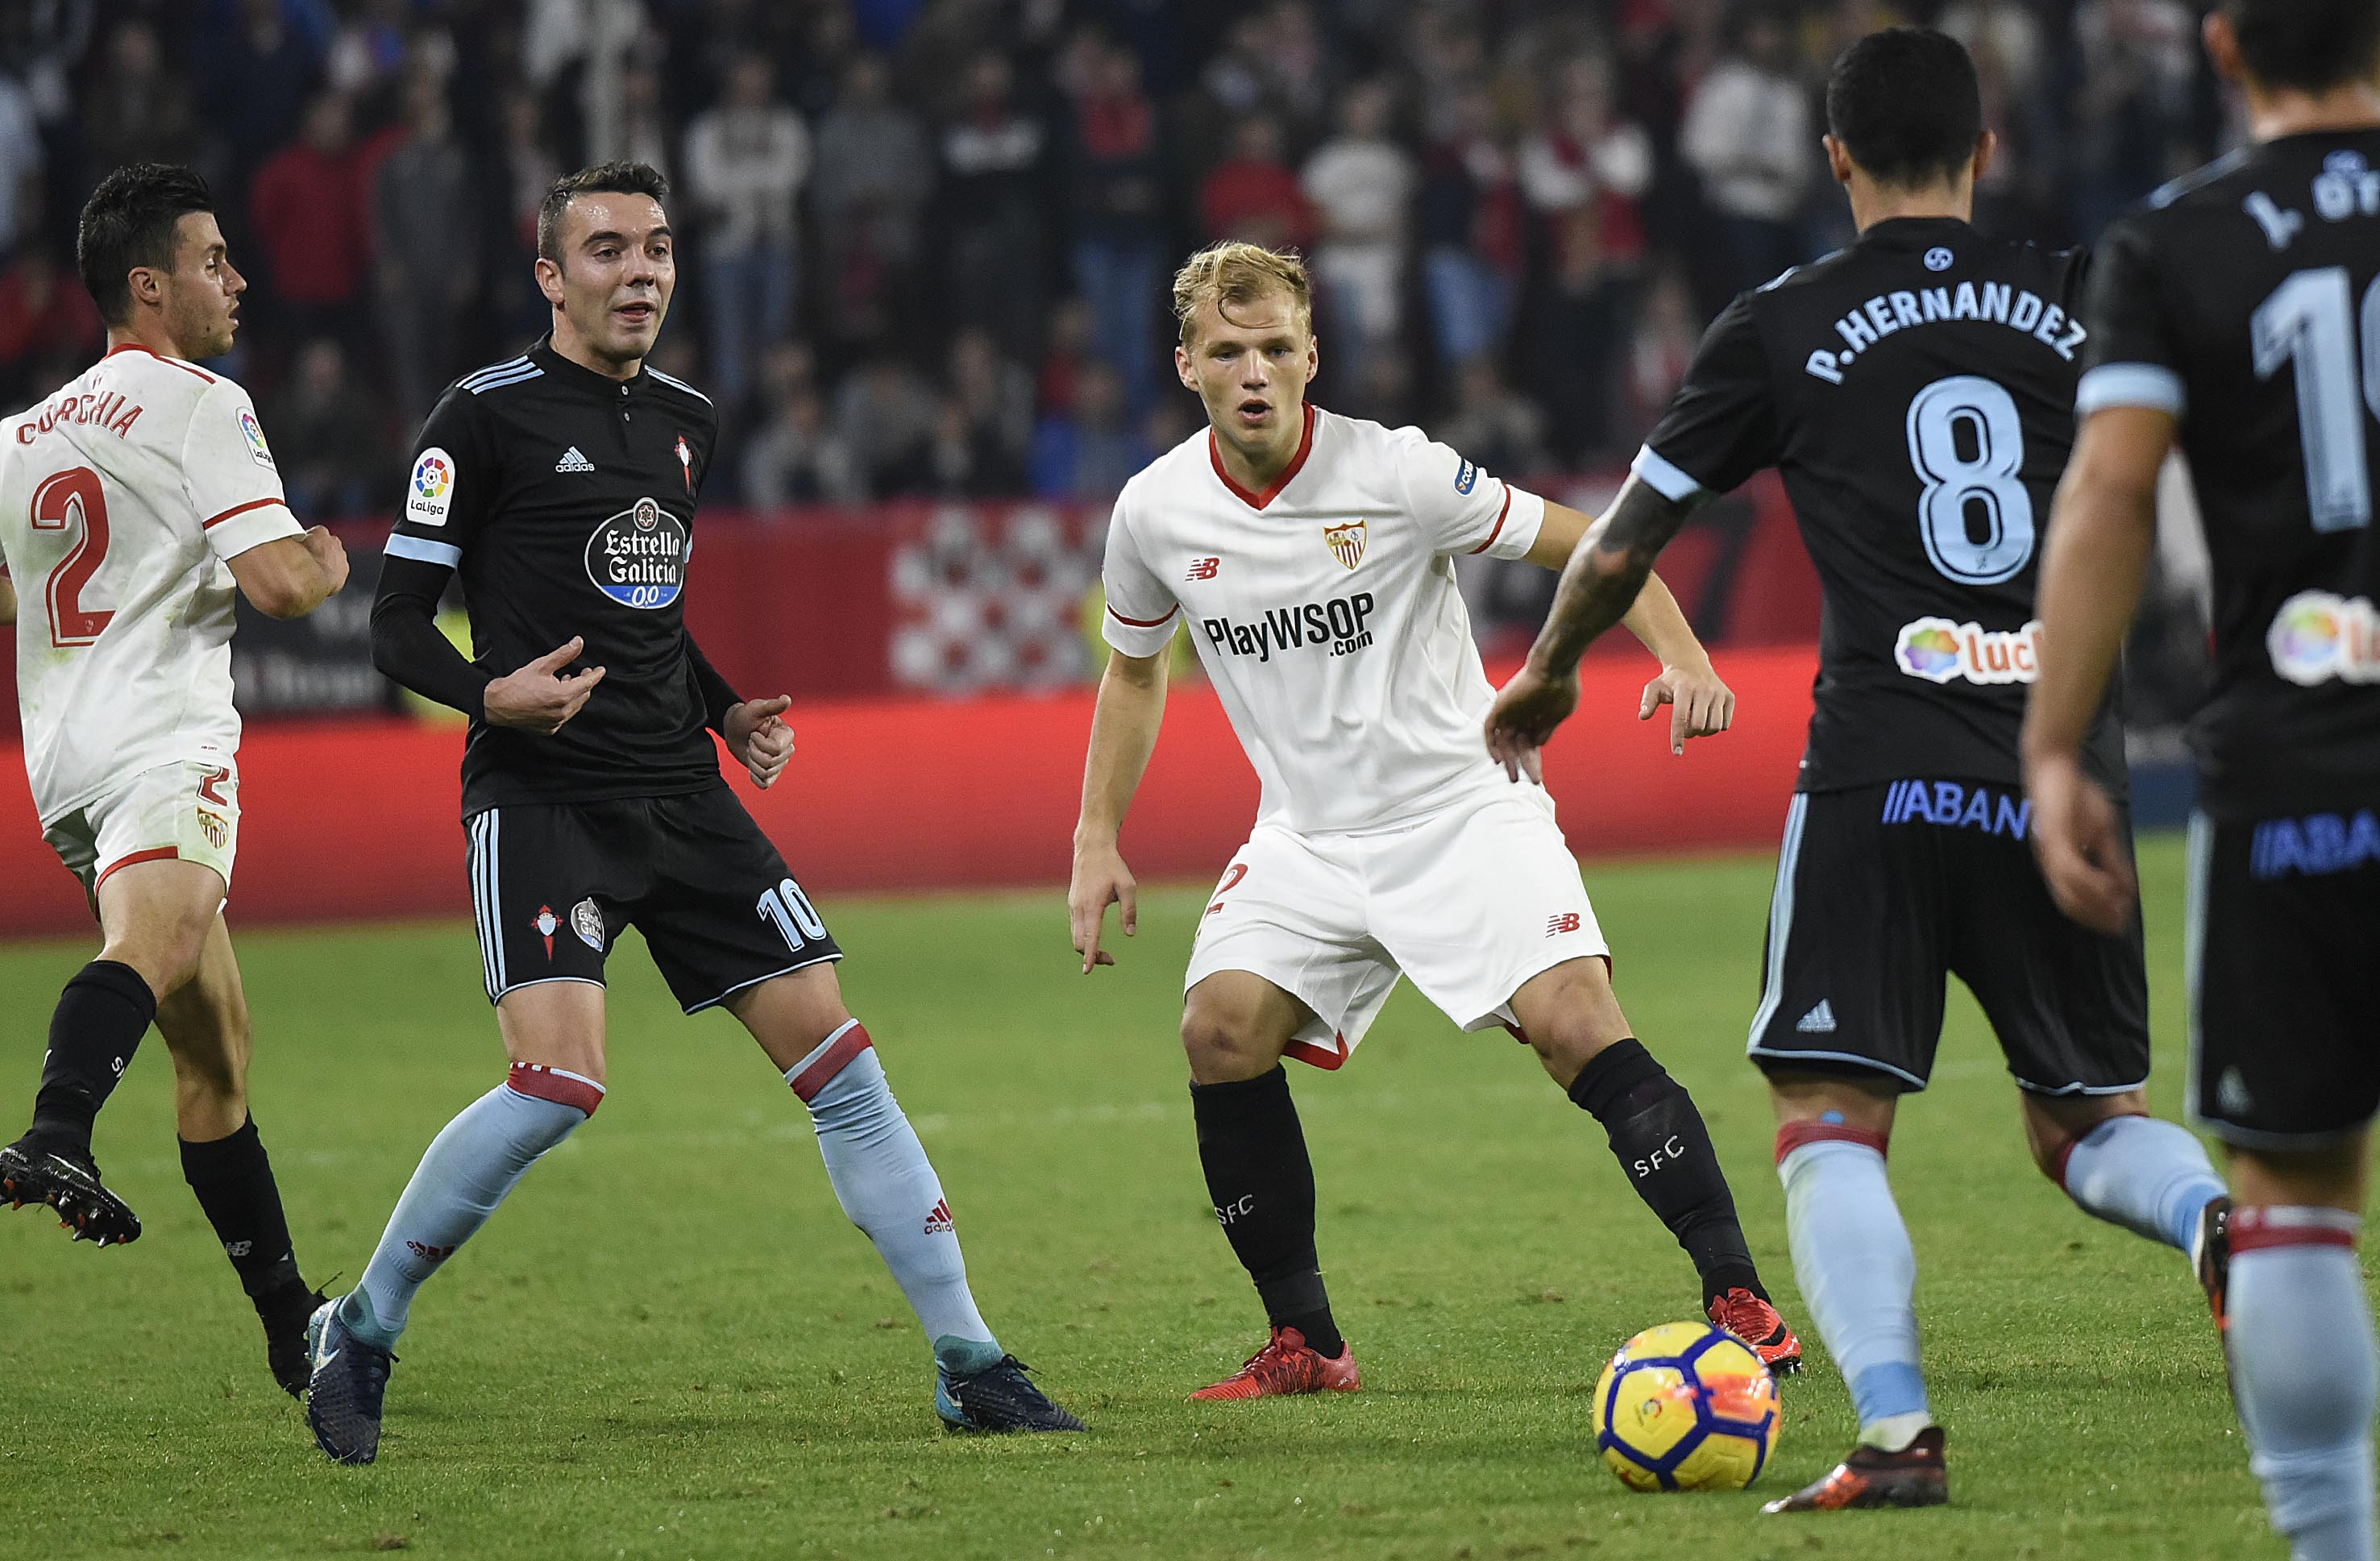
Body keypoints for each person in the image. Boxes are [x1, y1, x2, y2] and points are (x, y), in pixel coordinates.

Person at [1485, 29, 2230, 1512]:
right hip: (2060, 770)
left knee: (1830, 1123)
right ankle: (2214, 1220)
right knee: (2087, 1122)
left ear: (1833, 157)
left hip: (1880, 764)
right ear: (1985, 150)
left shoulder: (1779, 321)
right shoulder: (2078, 299)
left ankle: (1895, 1438)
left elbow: (1629, 533)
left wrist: (1551, 673)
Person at [307, 161, 1082, 1465]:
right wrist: (488, 695)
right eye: (606, 251)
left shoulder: (684, 418)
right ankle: (360, 1327)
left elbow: (648, 613)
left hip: (682, 791)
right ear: (551, 276)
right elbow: (392, 625)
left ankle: (969, 1360)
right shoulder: (479, 417)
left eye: (657, 249)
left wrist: (721, 710)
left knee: (840, 1062)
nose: (640, 273)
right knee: (557, 1083)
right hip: (544, 798)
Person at [1068, 240, 1802, 1401]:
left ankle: (1737, 1296)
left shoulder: (1397, 473)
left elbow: (1597, 539)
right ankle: (1305, 1341)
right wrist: (1096, 838)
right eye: (1226, 350)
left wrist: (1679, 648)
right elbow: (1133, 671)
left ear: (1313, 356)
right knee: (1217, 1028)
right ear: (1186, 365)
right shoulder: (1153, 512)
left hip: (1464, 806)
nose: (1252, 370)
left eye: (1273, 349)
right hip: (1307, 835)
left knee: (1573, 1023)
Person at [2025, 0, 2380, 1556]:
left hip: (2299, 755)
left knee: (2296, 1198)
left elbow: (2107, 493)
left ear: (2223, 49)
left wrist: (2053, 742)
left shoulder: (2171, 239)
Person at [0, 163, 349, 1394]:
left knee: (217, 1057)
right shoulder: (204, 403)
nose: (237, 278)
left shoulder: (22, 437)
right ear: (149, 286)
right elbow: (278, 587)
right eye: (213, 260)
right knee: (155, 948)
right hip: (163, 744)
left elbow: (15, 594)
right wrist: (329, 558)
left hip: (65, 768)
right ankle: (54, 1133)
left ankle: (290, 1324)